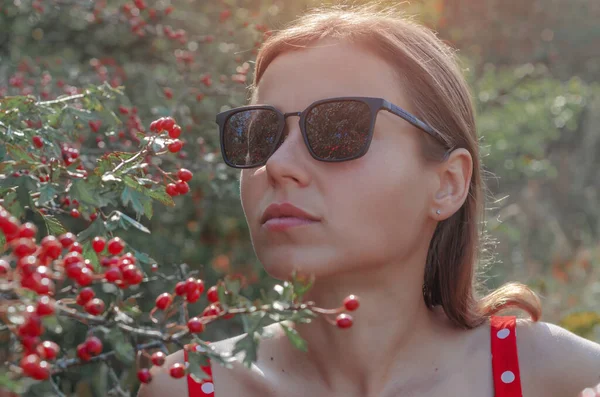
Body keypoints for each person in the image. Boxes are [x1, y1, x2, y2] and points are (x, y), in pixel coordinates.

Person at [139, 4, 600, 397]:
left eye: (339, 130)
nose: (276, 165)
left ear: (447, 183)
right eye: (259, 135)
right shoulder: (184, 384)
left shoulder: (559, 376)